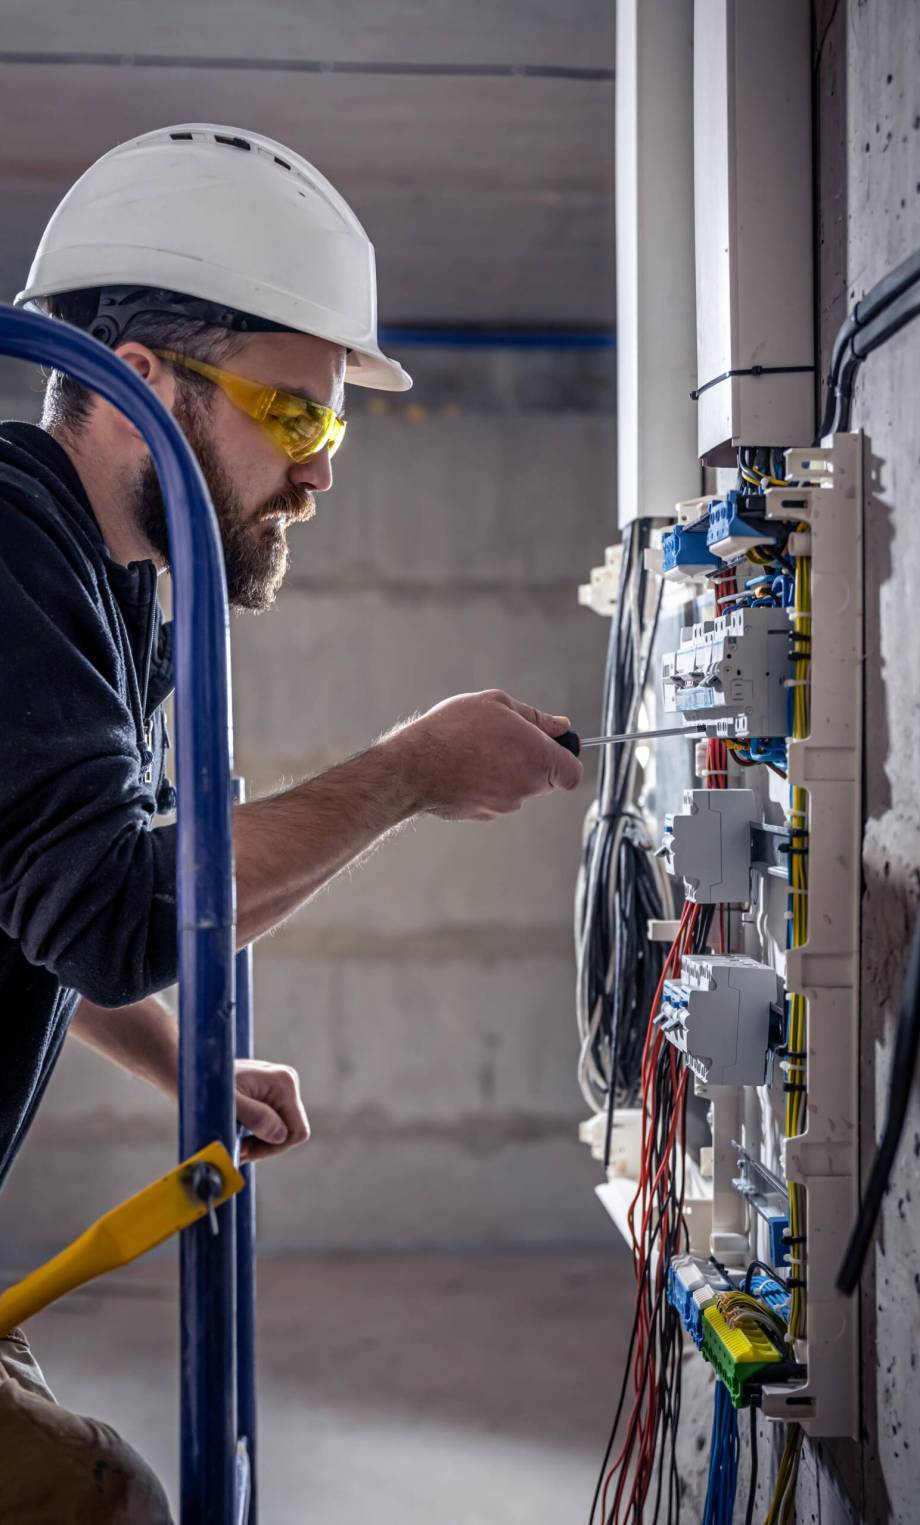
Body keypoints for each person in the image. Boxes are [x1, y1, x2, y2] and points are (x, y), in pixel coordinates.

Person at [0, 123, 583, 1521]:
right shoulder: (11, 546)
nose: (320, 471)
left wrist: (178, 1060)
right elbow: (111, 907)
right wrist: (406, 772)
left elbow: (37, 889)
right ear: (138, 386)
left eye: (334, 422)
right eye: (291, 414)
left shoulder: (113, 580)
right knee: (105, 1501)